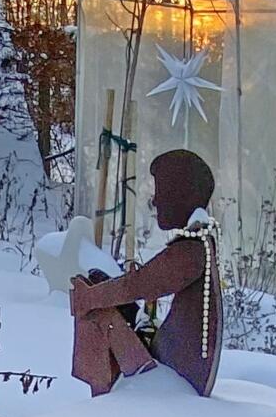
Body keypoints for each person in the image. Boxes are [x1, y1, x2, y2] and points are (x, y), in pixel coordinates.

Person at [69, 148, 223, 397]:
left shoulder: (192, 250)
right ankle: (108, 394)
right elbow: (145, 283)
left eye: (161, 192)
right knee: (102, 297)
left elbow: (141, 285)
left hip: (181, 376)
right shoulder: (197, 244)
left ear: (180, 195)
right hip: (173, 359)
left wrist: (90, 297)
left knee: (97, 313)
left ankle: (103, 399)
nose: (155, 201)